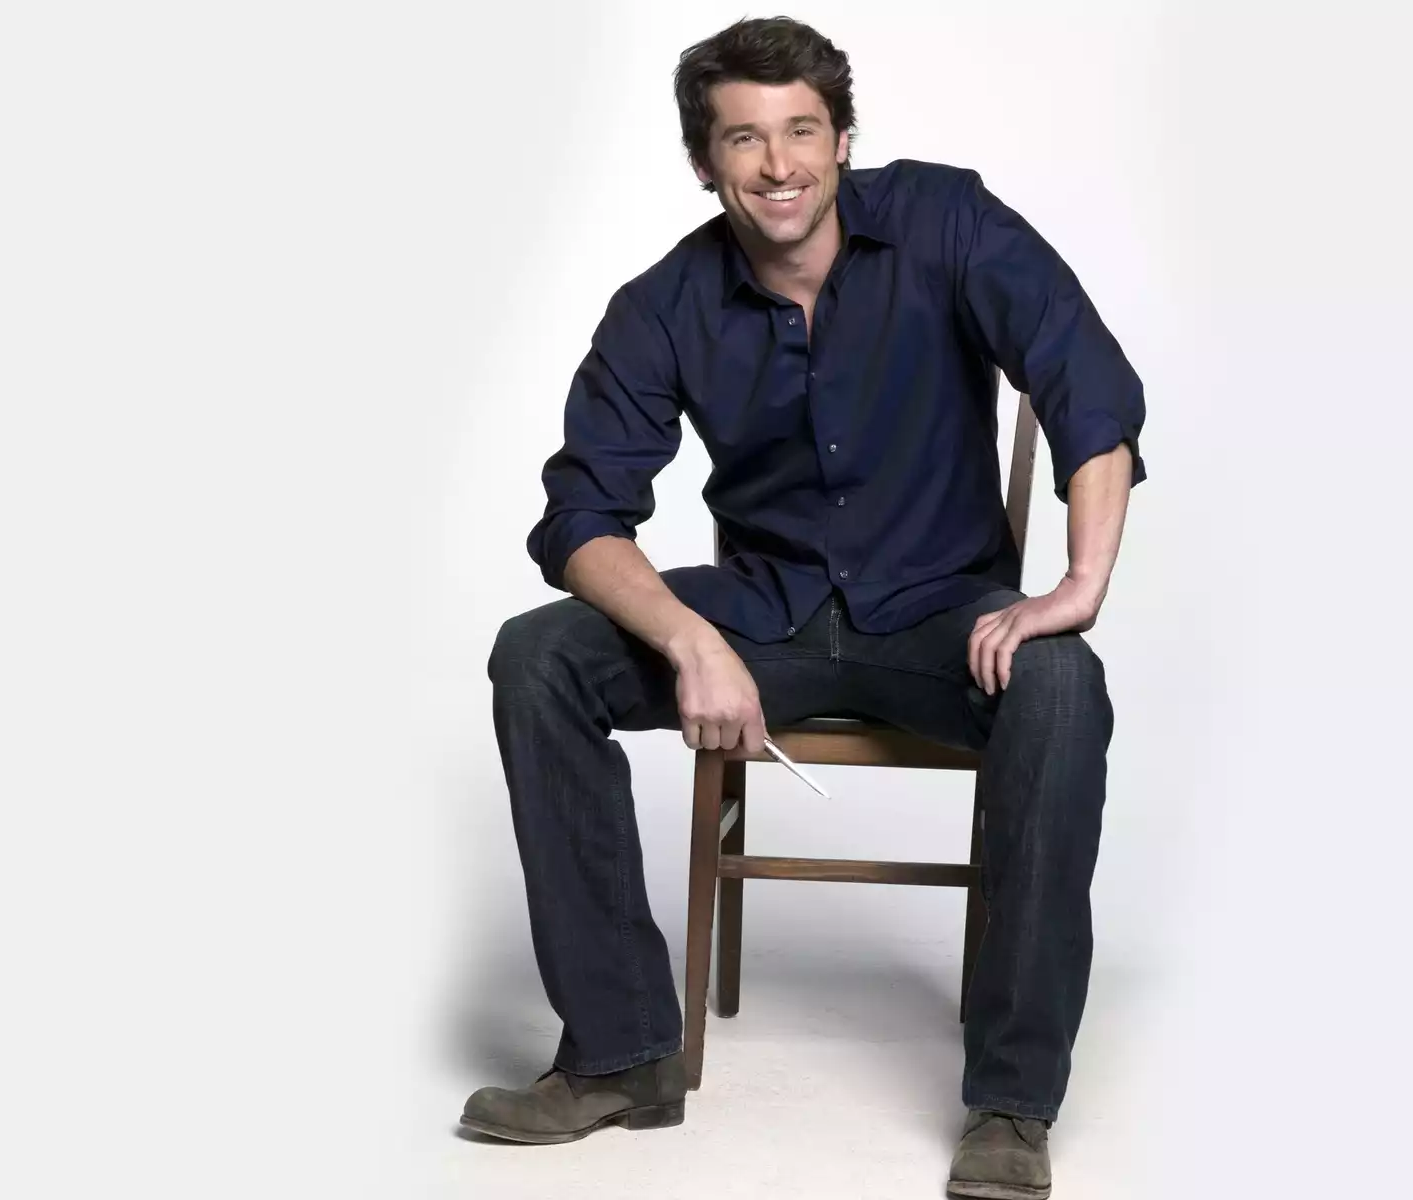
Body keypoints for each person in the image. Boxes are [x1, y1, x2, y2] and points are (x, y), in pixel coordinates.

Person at [459, 16, 1146, 1199]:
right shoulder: (665, 303)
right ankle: (622, 1055)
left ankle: (1011, 1101)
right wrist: (691, 642)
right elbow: (579, 519)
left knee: (1062, 682)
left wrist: (1078, 587)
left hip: (940, 618)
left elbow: (1087, 385)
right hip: (761, 616)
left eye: (801, 131)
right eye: (744, 138)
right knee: (538, 658)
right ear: (704, 160)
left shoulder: (945, 222)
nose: (778, 164)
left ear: (841, 140)